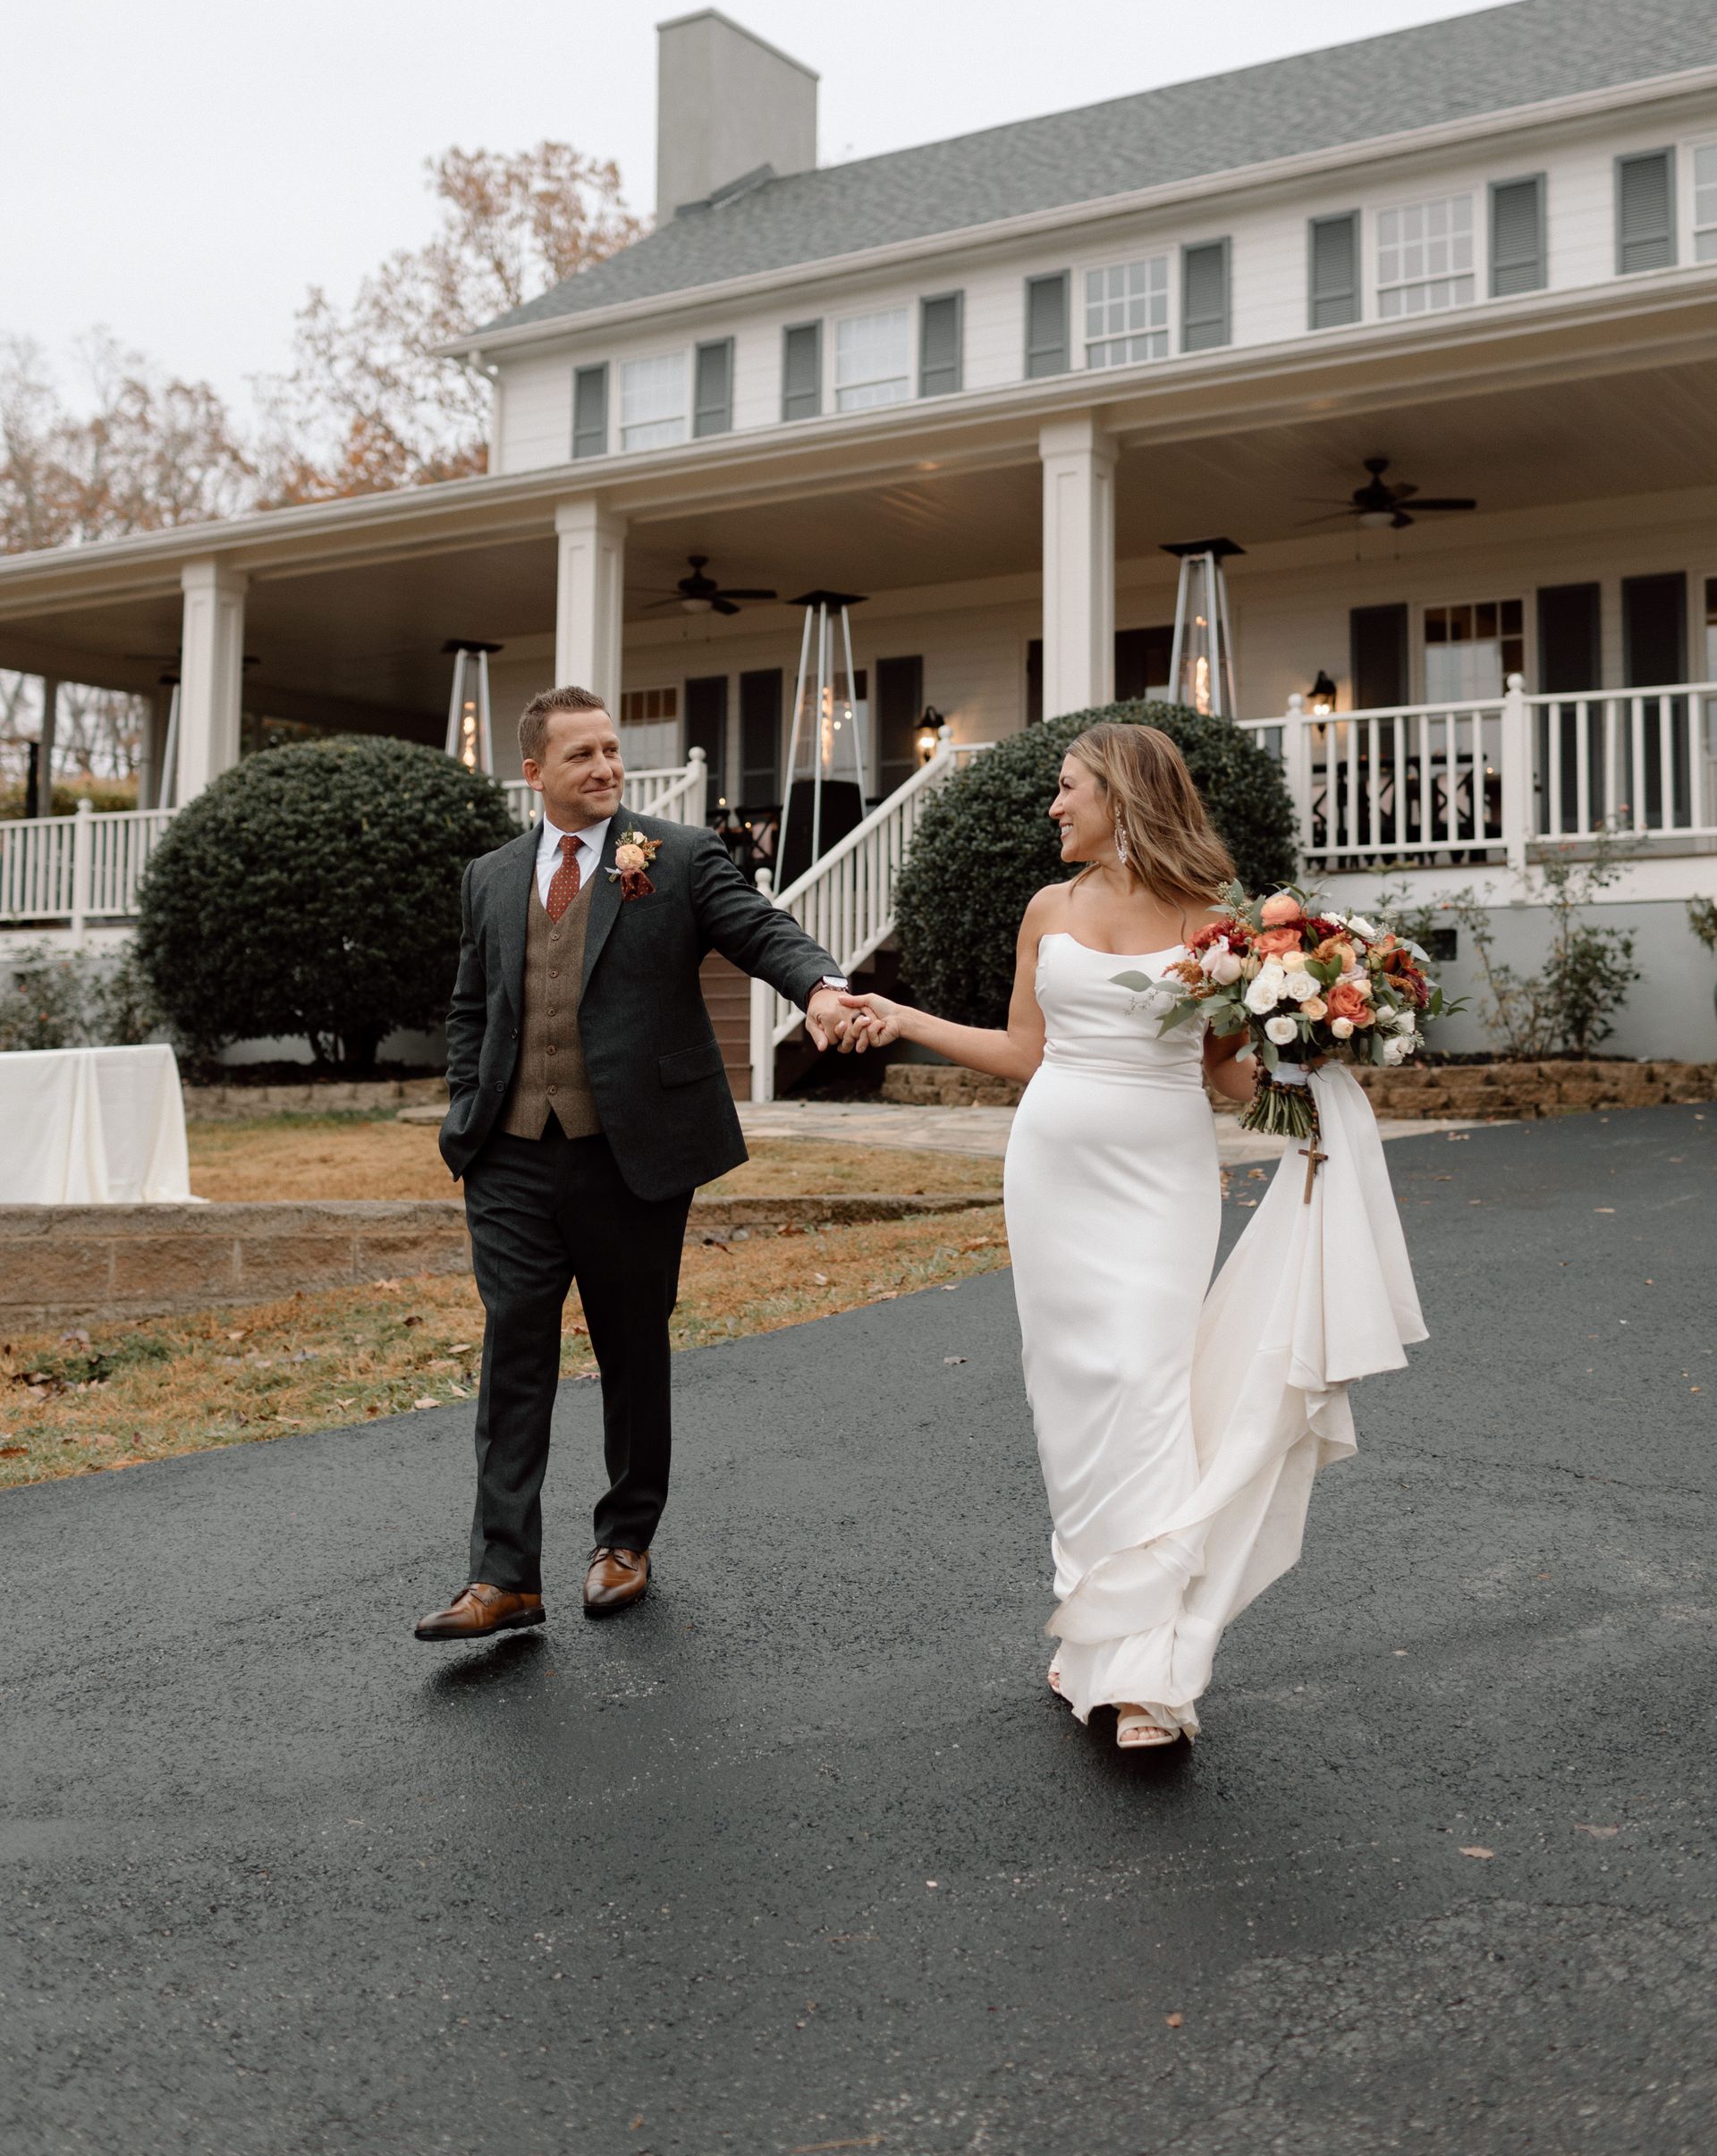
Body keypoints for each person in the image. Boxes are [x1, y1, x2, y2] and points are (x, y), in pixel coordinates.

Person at [840, 720, 1425, 1750]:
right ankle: (1092, 1631)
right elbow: (1028, 1050)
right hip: (1054, 1170)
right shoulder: (1046, 909)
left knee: (1149, 1388)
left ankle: (1148, 1675)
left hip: (1163, 1176)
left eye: (1069, 789)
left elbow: (1230, 1074)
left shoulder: (1218, 922)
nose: (1054, 806)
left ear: (1124, 795)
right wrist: (904, 1017)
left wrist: (1317, 1066)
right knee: (1073, 1396)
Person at [415, 684, 860, 1644]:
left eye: (612, 751)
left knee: (631, 1350)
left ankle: (624, 1540)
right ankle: (503, 1576)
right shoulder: (490, 877)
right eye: (582, 755)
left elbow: (761, 928)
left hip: (633, 1154)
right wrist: (466, 1114)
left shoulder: (677, 856)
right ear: (534, 773)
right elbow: (470, 1004)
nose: (606, 768)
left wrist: (820, 986)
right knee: (515, 1351)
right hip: (511, 1154)